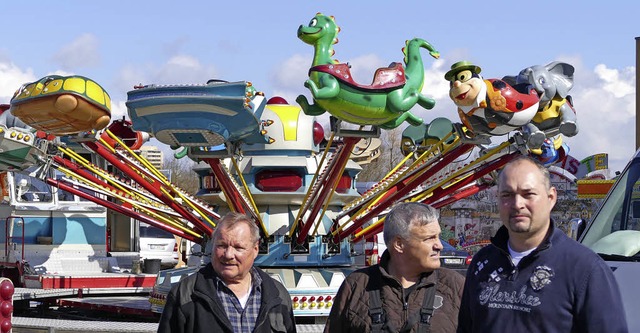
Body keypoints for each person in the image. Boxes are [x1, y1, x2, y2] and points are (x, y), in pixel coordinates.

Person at [457, 156, 628, 333]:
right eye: (507, 195)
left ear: (551, 197)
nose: (517, 204)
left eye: (528, 194)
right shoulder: (482, 263)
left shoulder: (585, 269)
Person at [325, 202, 465, 333]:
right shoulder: (357, 285)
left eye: (438, 237)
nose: (439, 245)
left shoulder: (455, 286)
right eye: (429, 238)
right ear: (399, 244)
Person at [158, 212, 297, 333]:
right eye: (222, 246)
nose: (229, 254)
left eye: (238, 247)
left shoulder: (278, 295)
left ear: (255, 250)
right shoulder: (185, 295)